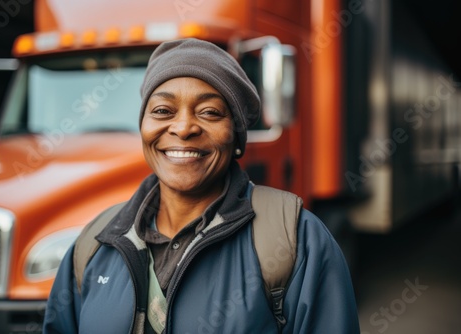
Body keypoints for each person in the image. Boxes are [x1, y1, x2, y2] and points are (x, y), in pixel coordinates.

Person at [43, 38, 360, 333]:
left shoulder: (297, 238)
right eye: (163, 111)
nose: (183, 128)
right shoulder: (95, 243)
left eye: (209, 112)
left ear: (235, 136)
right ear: (143, 127)